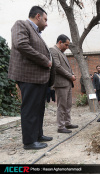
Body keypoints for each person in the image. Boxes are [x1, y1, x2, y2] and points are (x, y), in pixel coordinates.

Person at [8, 6, 55, 150]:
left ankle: (37, 135)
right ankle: (29, 142)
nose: (47, 23)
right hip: (28, 76)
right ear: (38, 16)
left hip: (39, 78)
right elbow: (21, 44)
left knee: (39, 108)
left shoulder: (36, 32)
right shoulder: (21, 24)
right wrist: (45, 60)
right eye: (45, 20)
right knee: (30, 109)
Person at [50, 34, 78, 133]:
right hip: (61, 83)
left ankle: (67, 123)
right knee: (62, 105)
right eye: (66, 45)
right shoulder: (53, 50)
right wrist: (70, 76)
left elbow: (67, 67)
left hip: (68, 83)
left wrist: (72, 73)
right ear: (60, 42)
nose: (67, 47)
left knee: (68, 104)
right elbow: (57, 66)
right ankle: (61, 127)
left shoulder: (62, 52)